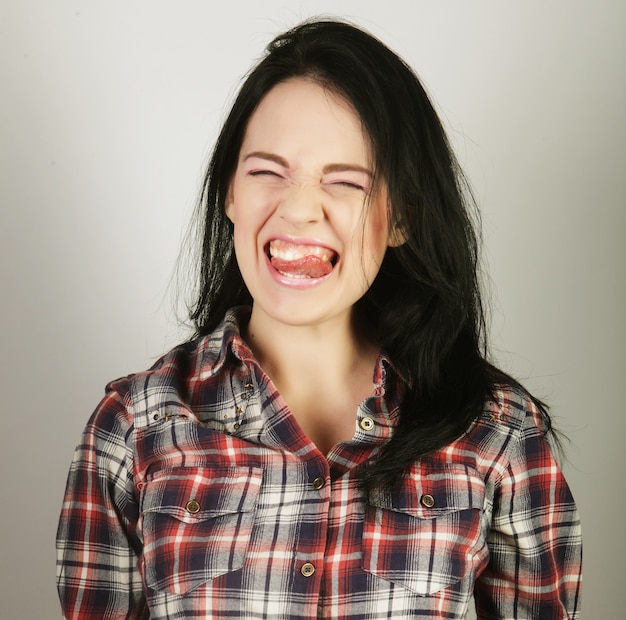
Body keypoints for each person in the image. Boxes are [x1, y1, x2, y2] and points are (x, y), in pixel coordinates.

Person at [56, 18, 582, 619]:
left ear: (403, 216)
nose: (300, 208)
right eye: (266, 171)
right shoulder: (130, 430)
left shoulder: (500, 433)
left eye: (347, 182)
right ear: (230, 191)